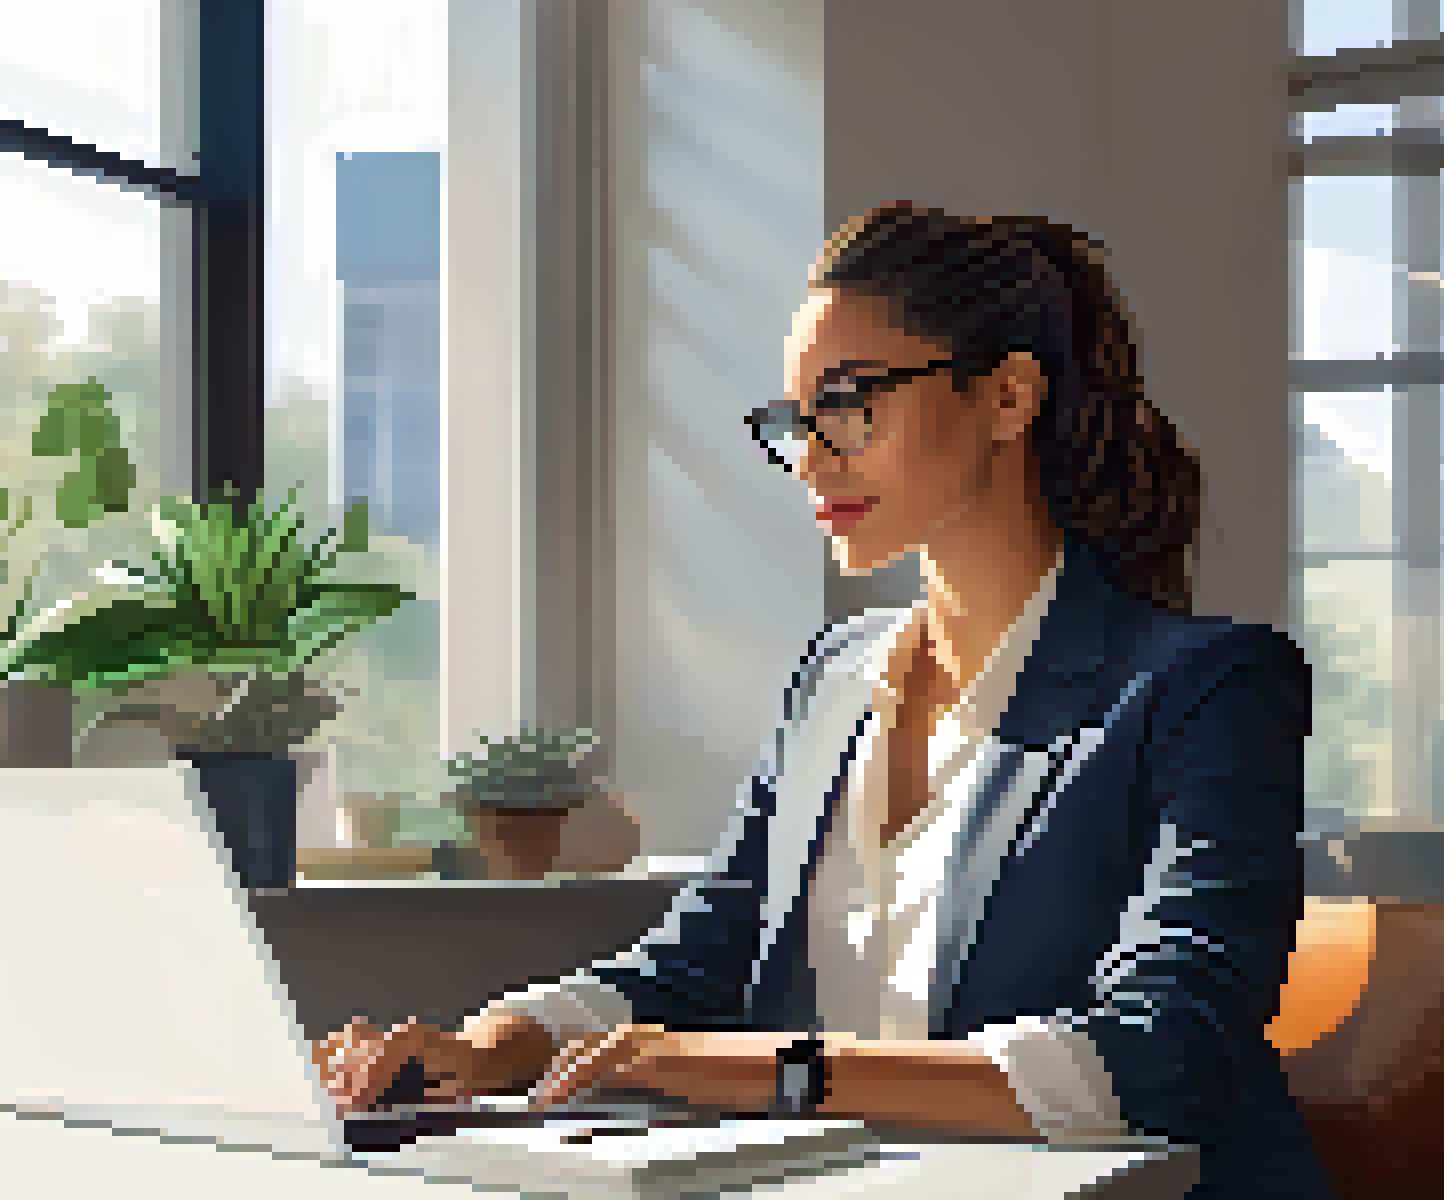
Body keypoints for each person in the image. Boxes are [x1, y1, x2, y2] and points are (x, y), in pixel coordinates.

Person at [312, 201, 1334, 1200]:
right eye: (796, 419)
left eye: (848, 403)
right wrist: (493, 1045)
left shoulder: (1208, 685)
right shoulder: (833, 679)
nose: (810, 455)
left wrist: (777, 1073)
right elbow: (695, 958)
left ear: (1009, 397)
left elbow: (1164, 1054)